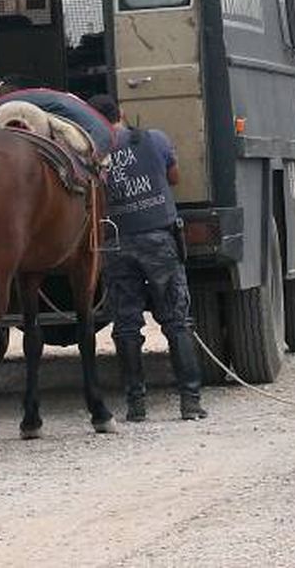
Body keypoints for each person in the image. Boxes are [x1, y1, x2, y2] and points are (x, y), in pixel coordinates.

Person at [87, 94, 207, 423]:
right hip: (159, 239)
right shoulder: (154, 139)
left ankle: (136, 406)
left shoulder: (92, 153)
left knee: (126, 326)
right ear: (121, 113)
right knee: (176, 321)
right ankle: (190, 402)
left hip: (116, 244)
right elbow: (174, 177)